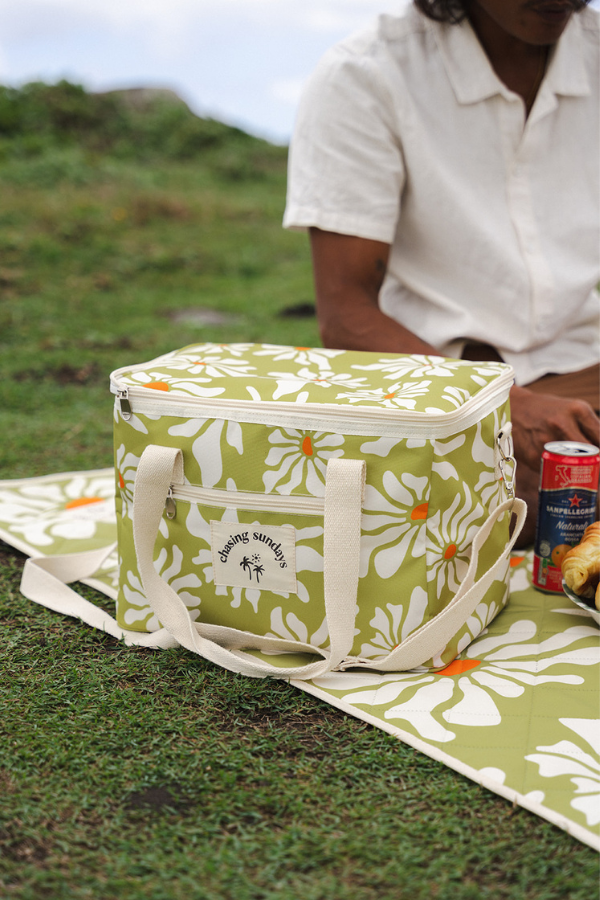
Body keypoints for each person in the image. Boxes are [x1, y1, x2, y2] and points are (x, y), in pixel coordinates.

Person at [283, 0, 600, 545]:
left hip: (584, 365)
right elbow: (346, 316)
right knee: (511, 511)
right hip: (439, 386)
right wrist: (503, 406)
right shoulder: (365, 76)